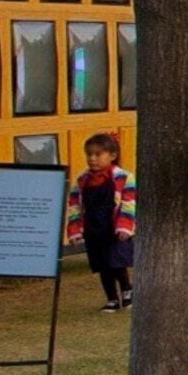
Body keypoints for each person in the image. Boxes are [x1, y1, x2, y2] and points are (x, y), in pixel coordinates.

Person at [68, 131, 136, 311]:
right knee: (102, 265)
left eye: (98, 154)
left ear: (112, 155)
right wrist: (75, 230)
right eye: (89, 154)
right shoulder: (82, 180)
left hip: (114, 228)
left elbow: (129, 203)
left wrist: (125, 227)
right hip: (93, 228)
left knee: (116, 262)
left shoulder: (124, 178)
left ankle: (127, 290)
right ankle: (111, 298)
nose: (92, 159)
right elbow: (74, 205)